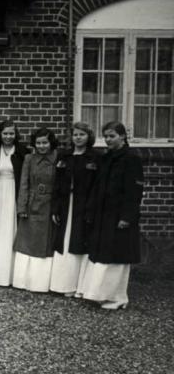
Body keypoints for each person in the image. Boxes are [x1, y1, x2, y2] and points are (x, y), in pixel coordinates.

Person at [78, 121, 144, 310]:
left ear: (123, 137)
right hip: (103, 214)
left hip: (119, 216)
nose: (108, 140)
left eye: (112, 136)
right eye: (105, 136)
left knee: (117, 256)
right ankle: (98, 294)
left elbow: (135, 192)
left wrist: (127, 217)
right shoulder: (106, 158)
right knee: (102, 254)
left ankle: (117, 297)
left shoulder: (131, 159)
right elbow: (98, 187)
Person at [49, 122, 100, 297]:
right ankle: (63, 284)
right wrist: (55, 208)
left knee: (79, 242)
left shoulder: (94, 158)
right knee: (63, 241)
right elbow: (57, 184)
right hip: (65, 204)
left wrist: (90, 209)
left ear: (89, 137)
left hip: (83, 206)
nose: (78, 138)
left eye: (82, 134)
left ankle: (80, 286)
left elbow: (96, 187)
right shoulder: (65, 156)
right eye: (75, 134)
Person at [12, 127, 58, 292]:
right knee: (27, 241)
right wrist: (22, 206)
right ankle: (23, 281)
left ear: (51, 142)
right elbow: (24, 183)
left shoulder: (57, 158)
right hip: (32, 204)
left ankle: (41, 283)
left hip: (50, 204)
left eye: (45, 142)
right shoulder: (29, 159)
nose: (42, 146)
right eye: (38, 143)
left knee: (46, 242)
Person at [0, 120, 29, 287]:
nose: (8, 136)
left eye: (11, 133)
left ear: (16, 134)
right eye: (5, 133)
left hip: (14, 191)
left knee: (10, 228)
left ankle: (12, 275)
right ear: (0, 134)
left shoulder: (22, 151)